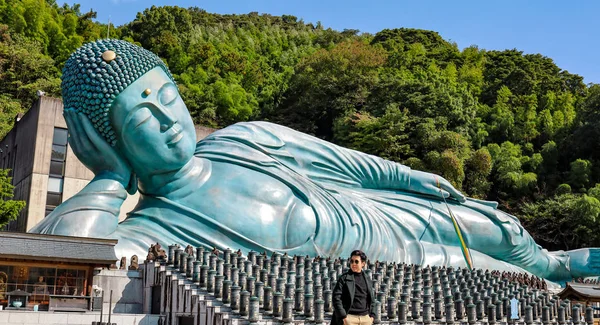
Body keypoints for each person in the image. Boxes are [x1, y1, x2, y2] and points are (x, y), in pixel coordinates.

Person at [31, 39, 598, 283]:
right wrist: (107, 179)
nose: (167, 119)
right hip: (397, 265)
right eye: (140, 120)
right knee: (509, 280)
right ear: (111, 142)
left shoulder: (244, 137)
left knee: (501, 228)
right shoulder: (150, 227)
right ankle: (556, 277)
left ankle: (560, 261)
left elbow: (350, 163)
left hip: (380, 211)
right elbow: (70, 255)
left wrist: (410, 176)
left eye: (167, 95)